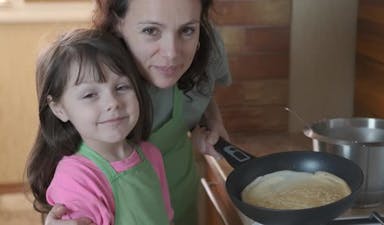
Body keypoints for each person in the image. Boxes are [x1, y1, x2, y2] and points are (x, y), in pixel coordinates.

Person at [45, 0, 232, 224]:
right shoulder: (95, 79)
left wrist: (212, 123)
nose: (172, 53)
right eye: (151, 30)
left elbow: (204, 89)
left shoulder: (206, 46)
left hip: (181, 200)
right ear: (116, 23)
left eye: (187, 30)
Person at [26, 28, 174, 225]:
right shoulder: (76, 180)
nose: (112, 102)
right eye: (90, 95)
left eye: (122, 87)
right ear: (59, 108)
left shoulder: (151, 155)